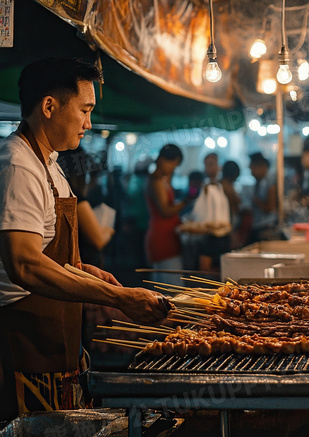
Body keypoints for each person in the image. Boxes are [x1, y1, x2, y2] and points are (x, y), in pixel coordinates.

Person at [0, 57, 170, 420]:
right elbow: (24, 264)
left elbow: (50, 257)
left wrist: (83, 272)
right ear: (49, 106)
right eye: (84, 110)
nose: (89, 124)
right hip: (22, 348)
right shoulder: (19, 166)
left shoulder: (50, 166)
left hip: (56, 347)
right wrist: (119, 297)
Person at [144, 143, 188, 283]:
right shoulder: (156, 181)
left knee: (163, 285)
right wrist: (186, 202)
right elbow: (165, 211)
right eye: (172, 164)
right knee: (174, 287)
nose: (173, 169)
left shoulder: (161, 179)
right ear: (162, 159)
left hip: (166, 236)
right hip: (163, 238)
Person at [247, 152, 278, 242]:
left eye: (252, 168)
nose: (251, 172)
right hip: (258, 225)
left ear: (261, 166)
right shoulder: (259, 181)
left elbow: (270, 207)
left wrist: (255, 200)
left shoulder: (270, 182)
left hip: (266, 226)